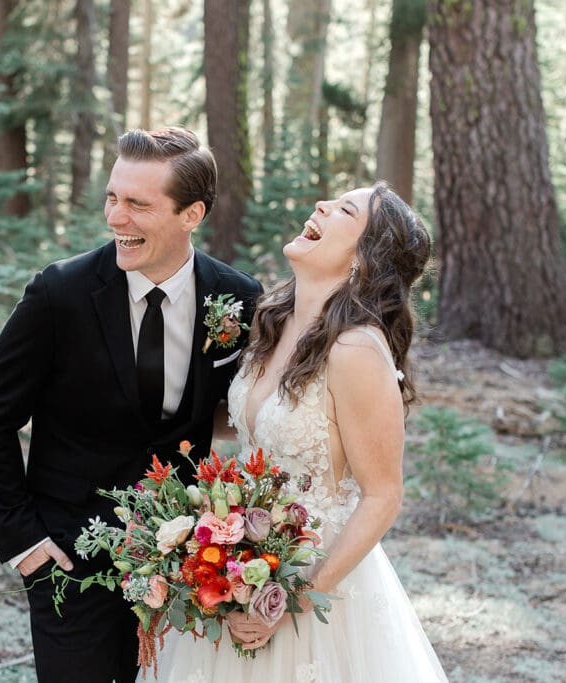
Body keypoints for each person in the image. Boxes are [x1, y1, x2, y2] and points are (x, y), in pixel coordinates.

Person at [0, 127, 263, 683]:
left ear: (191, 213)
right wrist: (23, 539)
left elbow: (241, 410)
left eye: (137, 204)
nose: (115, 217)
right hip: (68, 555)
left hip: (185, 558)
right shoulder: (60, 293)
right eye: (112, 197)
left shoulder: (238, 297)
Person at [143, 182, 448, 681]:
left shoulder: (356, 351)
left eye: (345, 209)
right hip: (242, 560)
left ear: (365, 259)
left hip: (314, 577)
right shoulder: (275, 322)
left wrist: (294, 600)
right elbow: (251, 425)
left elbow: (383, 496)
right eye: (330, 199)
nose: (321, 206)